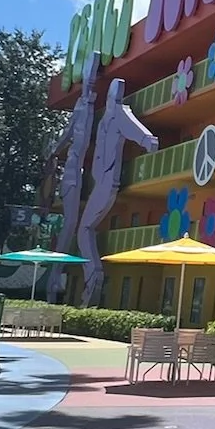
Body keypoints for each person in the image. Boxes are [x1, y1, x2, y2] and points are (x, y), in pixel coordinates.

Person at [78, 77, 159, 306]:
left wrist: (146, 140)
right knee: (85, 228)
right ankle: (91, 274)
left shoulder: (117, 114)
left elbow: (131, 126)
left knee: (85, 227)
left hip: (106, 182)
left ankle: (93, 273)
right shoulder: (107, 117)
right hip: (100, 180)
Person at [45, 53, 99, 303]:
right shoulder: (80, 108)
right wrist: (54, 150)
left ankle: (58, 276)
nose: (90, 84)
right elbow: (68, 134)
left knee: (75, 225)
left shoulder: (87, 107)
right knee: (70, 225)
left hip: (81, 174)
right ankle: (55, 276)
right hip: (72, 174)